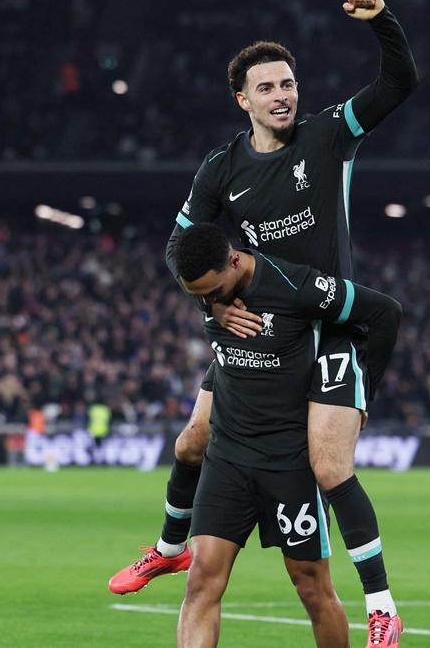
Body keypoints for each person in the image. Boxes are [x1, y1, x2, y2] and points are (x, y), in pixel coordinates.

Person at [110, 0, 416, 640]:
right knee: (192, 439)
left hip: (321, 327)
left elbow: (400, 81)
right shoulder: (222, 167)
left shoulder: (329, 134)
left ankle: (383, 605)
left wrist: (383, 22)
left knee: (327, 470)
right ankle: (168, 547)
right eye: (268, 87)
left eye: (289, 82)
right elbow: (181, 249)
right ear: (242, 101)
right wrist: (214, 307)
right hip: (255, 333)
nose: (283, 94)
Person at [171, 224, 403, 647]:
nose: (208, 303)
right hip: (229, 452)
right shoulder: (209, 291)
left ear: (235, 260)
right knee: (201, 579)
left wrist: (361, 394)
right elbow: (187, 264)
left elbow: (385, 311)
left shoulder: (297, 286)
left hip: (290, 456)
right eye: (198, 296)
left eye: (214, 292)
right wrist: (213, 306)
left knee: (312, 587)